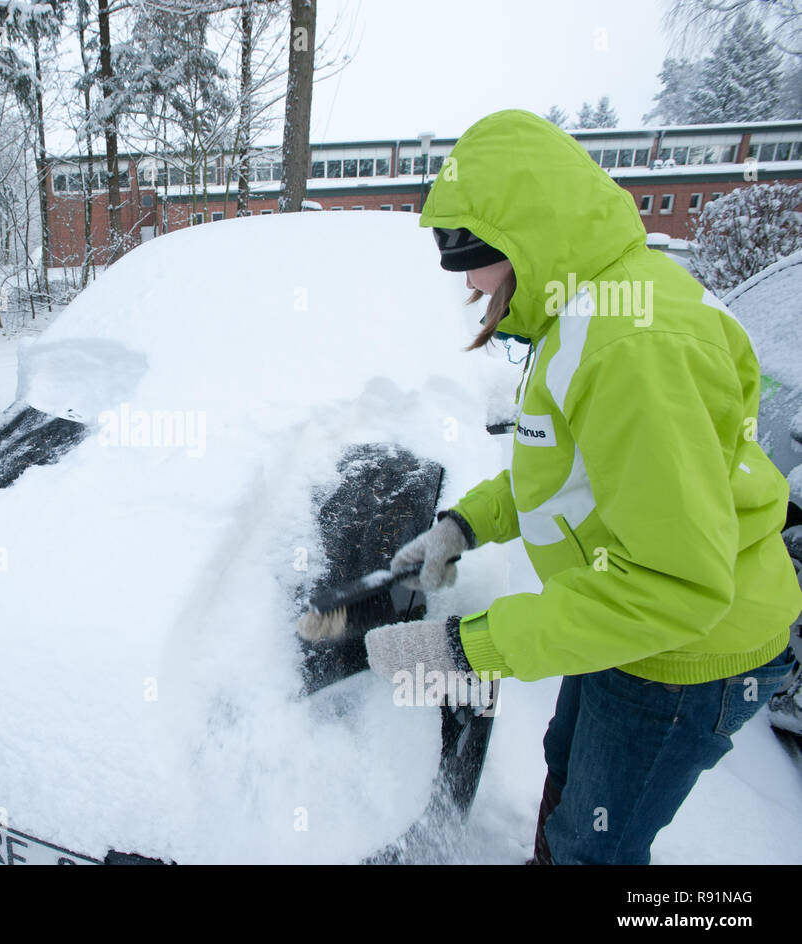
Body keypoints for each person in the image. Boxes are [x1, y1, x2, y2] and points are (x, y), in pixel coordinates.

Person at [309, 110, 802, 864]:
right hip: (626, 623)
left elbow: (676, 584)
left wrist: (462, 648)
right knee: (568, 775)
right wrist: (464, 527)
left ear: (528, 238)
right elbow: (568, 476)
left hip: (686, 654)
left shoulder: (631, 343)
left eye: (470, 256)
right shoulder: (585, 313)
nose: (468, 282)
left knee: (593, 847)